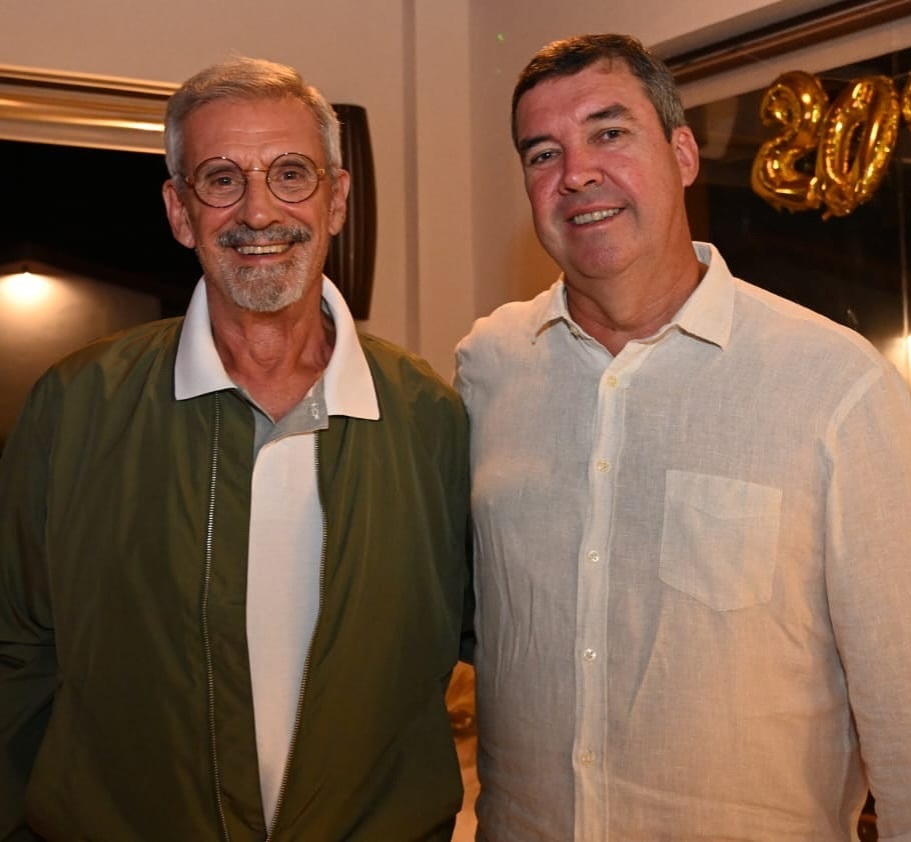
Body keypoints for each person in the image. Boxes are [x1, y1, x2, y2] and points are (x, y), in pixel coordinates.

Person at [0, 57, 472, 841]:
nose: (258, 211)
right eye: (221, 179)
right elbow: (15, 654)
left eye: (291, 174)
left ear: (337, 201)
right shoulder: (77, 406)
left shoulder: (431, 420)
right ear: (180, 212)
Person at [455, 33, 911, 841]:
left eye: (609, 132)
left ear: (684, 153)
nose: (576, 173)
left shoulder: (833, 386)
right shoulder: (488, 369)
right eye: (541, 153)